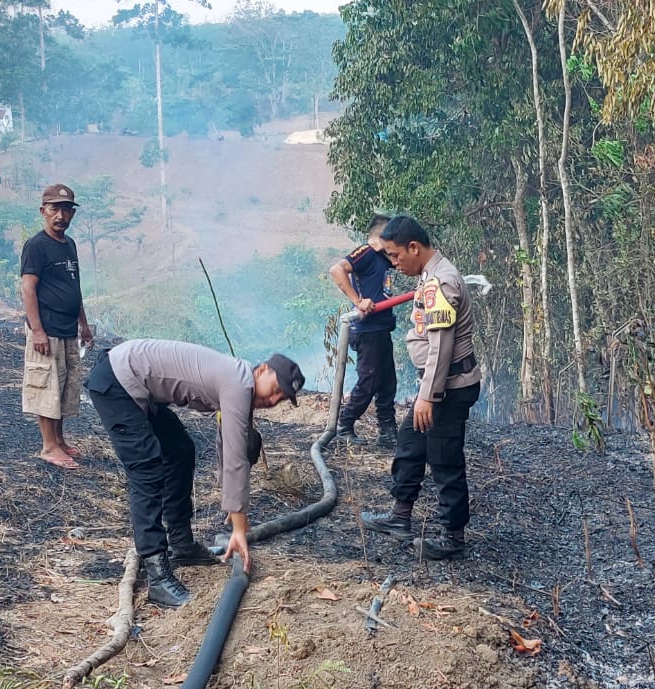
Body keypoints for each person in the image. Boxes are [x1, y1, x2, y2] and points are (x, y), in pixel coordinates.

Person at [85, 339, 304, 607]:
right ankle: (157, 576)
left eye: (281, 399)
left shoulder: (240, 384)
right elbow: (235, 459)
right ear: (262, 371)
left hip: (135, 383)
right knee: (147, 469)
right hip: (118, 381)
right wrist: (238, 527)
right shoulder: (239, 384)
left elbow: (231, 446)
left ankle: (181, 544)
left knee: (179, 450)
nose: (272, 400)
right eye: (276, 389)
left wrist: (235, 508)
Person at [359, 216, 481, 560]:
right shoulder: (428, 275)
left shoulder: (441, 282)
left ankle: (451, 536)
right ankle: (400, 516)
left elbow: (442, 346)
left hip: (449, 387)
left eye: (396, 256)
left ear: (414, 247)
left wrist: (428, 396)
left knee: (444, 458)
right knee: (410, 444)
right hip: (437, 385)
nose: (394, 264)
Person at [21, 183, 94, 470]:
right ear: (43, 211)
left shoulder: (70, 244)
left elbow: (73, 287)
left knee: (63, 387)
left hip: (67, 329)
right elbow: (28, 290)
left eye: (66, 210)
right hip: (47, 329)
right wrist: (37, 330)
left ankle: (60, 440)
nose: (61, 215)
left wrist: (84, 325)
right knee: (46, 386)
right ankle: (48, 446)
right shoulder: (36, 246)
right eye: (55, 209)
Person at [328, 214, 398, 447]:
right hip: (367, 329)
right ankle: (344, 426)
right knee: (369, 381)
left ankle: (387, 432)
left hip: (381, 328)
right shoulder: (366, 252)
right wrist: (358, 301)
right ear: (381, 236)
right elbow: (337, 270)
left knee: (388, 381)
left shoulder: (384, 258)